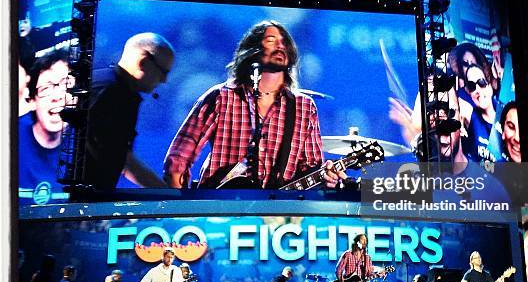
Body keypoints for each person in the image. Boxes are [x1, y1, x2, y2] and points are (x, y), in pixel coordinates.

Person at [164, 21, 343, 190]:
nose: (280, 46)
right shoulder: (221, 97)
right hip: (219, 212)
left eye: (284, 42)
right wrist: (185, 209)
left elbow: (311, 168)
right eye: (271, 41)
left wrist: (326, 177)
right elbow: (178, 159)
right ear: (253, 50)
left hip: (276, 216)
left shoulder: (303, 106)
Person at [84, 32, 175, 191]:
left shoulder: (113, 88)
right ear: (144, 62)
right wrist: (173, 197)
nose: (164, 80)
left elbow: (121, 157)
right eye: (163, 72)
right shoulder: (112, 95)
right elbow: (122, 159)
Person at [18, 51, 72, 206]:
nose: (57, 96)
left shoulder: (90, 145)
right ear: (33, 101)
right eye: (45, 88)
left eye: (66, 85)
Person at [461, 64, 498, 163]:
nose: (477, 90)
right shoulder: (470, 118)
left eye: (481, 83)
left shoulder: (505, 113)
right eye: (472, 86)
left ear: (490, 85)